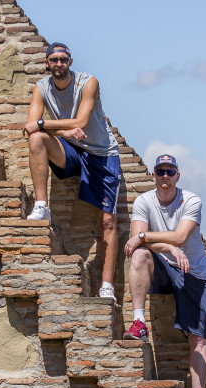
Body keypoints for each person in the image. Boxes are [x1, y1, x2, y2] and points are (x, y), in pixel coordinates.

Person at [23, 42, 121, 301]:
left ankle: (107, 286)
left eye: (63, 59)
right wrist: (63, 132)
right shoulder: (41, 88)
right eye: (54, 59)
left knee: (108, 221)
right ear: (46, 63)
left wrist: (45, 123)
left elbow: (79, 122)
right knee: (36, 140)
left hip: (101, 154)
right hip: (71, 149)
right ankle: (42, 206)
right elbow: (31, 129)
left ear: (70, 61)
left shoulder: (88, 83)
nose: (58, 64)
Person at [123, 154, 206, 388]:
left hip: (194, 273)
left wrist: (144, 235)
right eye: (160, 171)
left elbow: (180, 235)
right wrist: (170, 247)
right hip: (163, 266)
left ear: (177, 176)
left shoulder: (191, 200)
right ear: (153, 175)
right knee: (140, 256)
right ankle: (139, 323)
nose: (165, 177)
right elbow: (140, 246)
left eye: (170, 172)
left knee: (199, 340)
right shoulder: (144, 201)